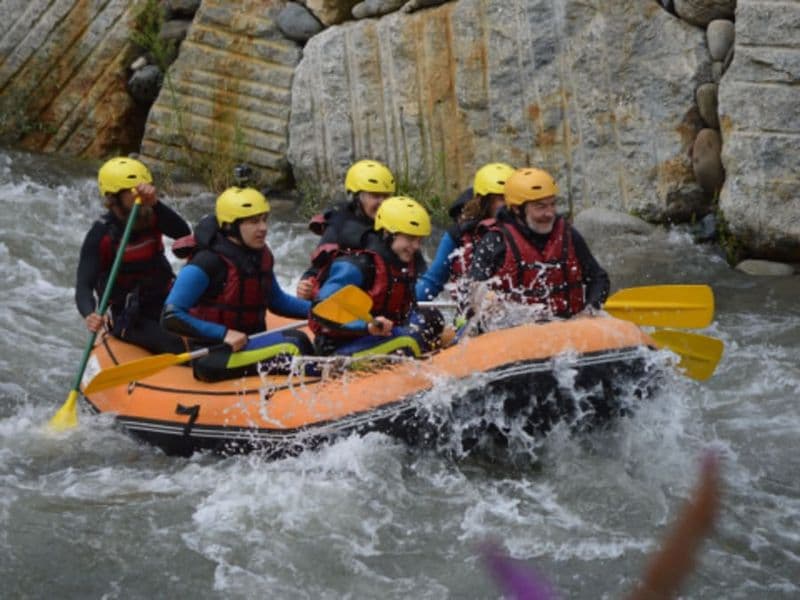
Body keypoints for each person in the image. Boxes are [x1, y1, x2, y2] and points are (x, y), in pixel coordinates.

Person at [161, 187, 313, 382]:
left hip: (252, 343)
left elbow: (277, 301)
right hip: (214, 354)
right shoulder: (207, 262)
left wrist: (319, 310)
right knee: (293, 344)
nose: (263, 228)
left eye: (264, 219)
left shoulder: (260, 255)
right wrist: (223, 334)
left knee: (299, 339)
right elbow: (171, 316)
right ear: (231, 226)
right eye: (253, 222)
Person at [75, 156, 190, 354]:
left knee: (204, 329)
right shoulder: (101, 234)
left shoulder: (153, 214)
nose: (141, 195)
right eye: (132, 191)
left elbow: (184, 234)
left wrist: (156, 204)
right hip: (129, 315)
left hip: (164, 298)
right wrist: (90, 313)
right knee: (174, 344)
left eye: (144, 187)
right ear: (114, 197)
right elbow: (84, 284)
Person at [309, 196, 444, 358]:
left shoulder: (401, 264)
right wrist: (366, 326)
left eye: (419, 240)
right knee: (408, 340)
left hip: (376, 339)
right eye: (409, 238)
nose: (415, 247)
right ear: (387, 233)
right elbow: (320, 307)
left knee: (433, 319)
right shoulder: (359, 266)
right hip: (338, 348)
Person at [466, 167, 610, 319]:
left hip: (567, 327)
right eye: (540, 206)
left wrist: (590, 310)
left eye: (552, 204)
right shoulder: (495, 240)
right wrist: (489, 302)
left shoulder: (567, 234)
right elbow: (474, 287)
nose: (549, 213)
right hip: (515, 330)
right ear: (516, 209)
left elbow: (598, 278)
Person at [296, 159, 396, 300]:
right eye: (375, 196)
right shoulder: (340, 225)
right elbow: (316, 269)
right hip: (345, 301)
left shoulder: (398, 225)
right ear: (357, 197)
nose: (382, 203)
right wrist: (305, 286)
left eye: (386, 196)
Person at [415, 162, 515, 301]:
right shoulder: (458, 234)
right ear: (484, 201)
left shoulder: (525, 233)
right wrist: (407, 305)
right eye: (501, 199)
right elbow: (432, 281)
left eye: (512, 198)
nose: (509, 205)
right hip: (472, 314)